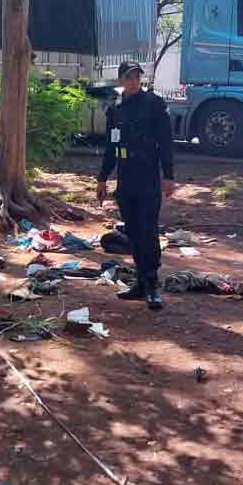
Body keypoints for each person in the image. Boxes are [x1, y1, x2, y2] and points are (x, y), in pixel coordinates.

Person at [96, 61, 175, 310]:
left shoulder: (154, 104)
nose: (133, 81)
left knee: (148, 231)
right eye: (128, 77)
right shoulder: (115, 108)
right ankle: (140, 283)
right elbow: (111, 146)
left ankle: (152, 286)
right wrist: (102, 177)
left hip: (148, 177)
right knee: (133, 232)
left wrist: (168, 176)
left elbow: (166, 142)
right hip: (126, 177)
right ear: (120, 80)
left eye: (136, 77)